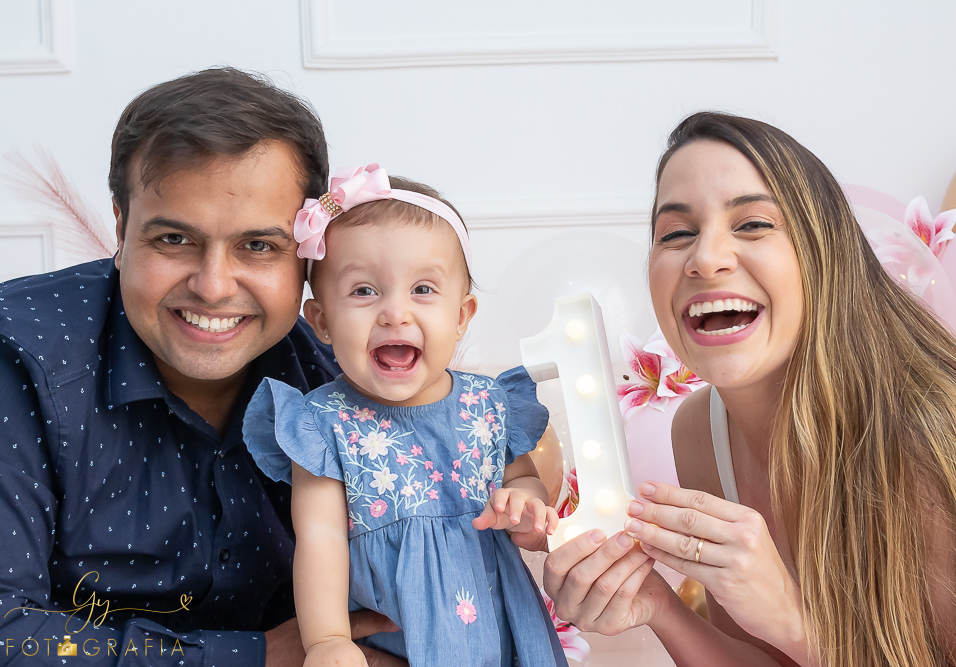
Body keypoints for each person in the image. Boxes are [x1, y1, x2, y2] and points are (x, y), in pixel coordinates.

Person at [542, 112, 956, 666]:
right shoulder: (701, 431)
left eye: (753, 224)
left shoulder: (935, 435)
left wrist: (790, 619)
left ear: (824, 253)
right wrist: (659, 606)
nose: (705, 258)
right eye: (677, 233)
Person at [0, 68, 402, 667]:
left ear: (306, 252)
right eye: (173, 240)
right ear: (121, 227)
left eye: (258, 246)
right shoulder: (20, 360)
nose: (213, 287)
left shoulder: (346, 377)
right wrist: (255, 658)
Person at [242, 164, 566, 666]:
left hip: (496, 623)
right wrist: (328, 640)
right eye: (364, 291)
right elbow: (321, 540)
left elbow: (523, 480)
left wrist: (525, 505)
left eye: (423, 289)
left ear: (461, 316)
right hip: (394, 636)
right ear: (322, 321)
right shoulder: (324, 424)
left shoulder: (488, 404)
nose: (395, 312)